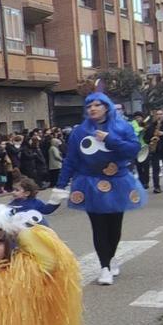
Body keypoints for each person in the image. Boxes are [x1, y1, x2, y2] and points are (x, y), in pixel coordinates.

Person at [55, 91, 146, 286]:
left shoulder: (123, 127)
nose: (92, 109)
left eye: (97, 105)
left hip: (117, 182)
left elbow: (133, 150)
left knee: (114, 226)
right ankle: (104, 267)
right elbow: (70, 160)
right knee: (99, 226)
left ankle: (111, 257)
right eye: (89, 106)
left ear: (106, 107)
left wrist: (109, 139)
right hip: (90, 182)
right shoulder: (79, 131)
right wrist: (60, 185)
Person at [143, 108, 163, 193]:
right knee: (155, 168)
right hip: (155, 148)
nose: (159, 116)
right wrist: (150, 140)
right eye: (157, 114)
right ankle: (156, 186)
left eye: (161, 114)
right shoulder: (151, 126)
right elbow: (145, 138)